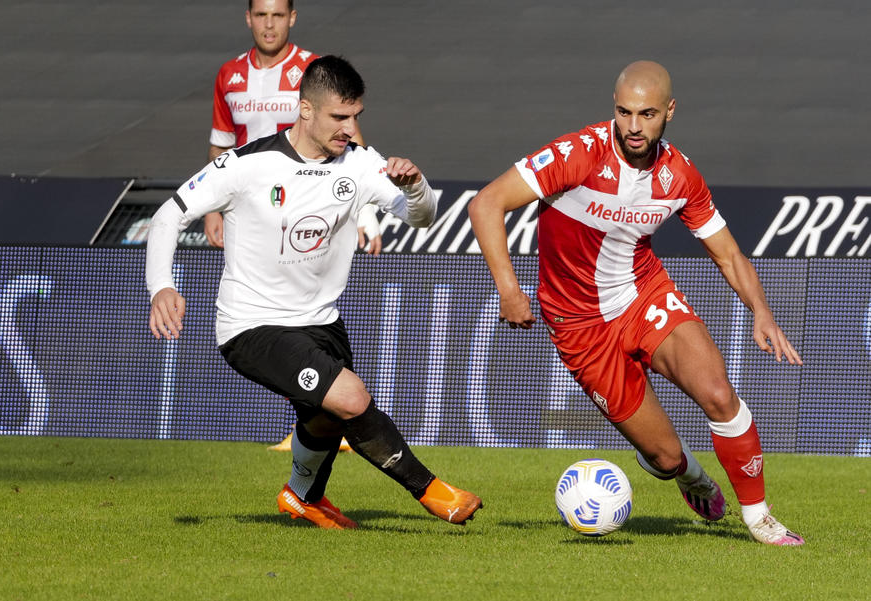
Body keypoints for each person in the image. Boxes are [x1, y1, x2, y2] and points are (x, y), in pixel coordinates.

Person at [468, 60, 804, 546]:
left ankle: (760, 518)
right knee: (664, 458)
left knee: (717, 393)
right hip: (579, 325)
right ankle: (691, 476)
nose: (632, 126)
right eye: (623, 112)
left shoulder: (680, 176)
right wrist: (509, 289)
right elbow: (486, 204)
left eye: (646, 114)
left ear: (669, 111)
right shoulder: (577, 154)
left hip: (642, 295)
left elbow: (728, 253)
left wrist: (761, 310)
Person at [147, 55, 481, 529]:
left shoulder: (361, 165)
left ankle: (302, 496)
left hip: (321, 321)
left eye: (355, 117)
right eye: (339, 117)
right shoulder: (246, 165)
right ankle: (433, 492)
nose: (350, 128)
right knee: (349, 397)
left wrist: (415, 186)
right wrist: (162, 285)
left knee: (323, 416)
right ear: (305, 110)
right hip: (252, 324)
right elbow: (168, 215)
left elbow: (420, 217)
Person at [204, 0, 381, 253]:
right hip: (247, 207)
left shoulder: (315, 70)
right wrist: (211, 207)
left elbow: (350, 139)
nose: (268, 24)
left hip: (306, 204)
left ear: (292, 17)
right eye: (261, 14)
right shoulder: (229, 73)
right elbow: (221, 147)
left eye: (277, 15)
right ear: (248, 18)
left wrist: (364, 211)